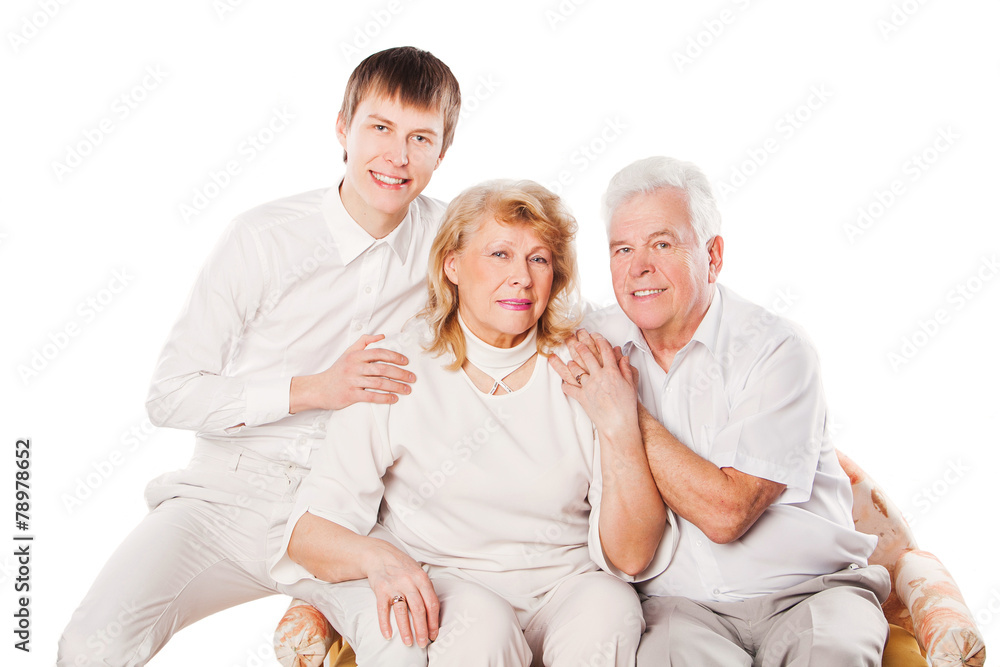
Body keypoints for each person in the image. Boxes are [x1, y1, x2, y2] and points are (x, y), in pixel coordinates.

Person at [57, 46, 461, 666]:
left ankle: (323, 612)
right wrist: (315, 389)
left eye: (421, 138)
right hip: (222, 498)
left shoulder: (449, 243)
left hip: (348, 512)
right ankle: (321, 618)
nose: (397, 156)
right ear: (342, 129)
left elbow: (533, 290)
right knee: (90, 646)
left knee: (409, 648)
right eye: (380, 128)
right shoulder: (263, 237)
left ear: (443, 151)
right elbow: (170, 393)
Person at [269, 180, 671, 665]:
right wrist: (380, 560)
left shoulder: (586, 364)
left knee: (610, 607)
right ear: (452, 265)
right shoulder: (397, 366)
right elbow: (310, 529)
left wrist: (620, 426)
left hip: (566, 587)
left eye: (539, 259)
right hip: (454, 589)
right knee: (481, 626)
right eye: (499, 254)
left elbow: (630, 557)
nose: (521, 277)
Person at [551, 156, 891, 666]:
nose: (639, 267)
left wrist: (624, 411)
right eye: (623, 249)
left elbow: (728, 512)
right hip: (679, 609)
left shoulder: (776, 350)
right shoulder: (594, 344)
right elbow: (500, 323)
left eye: (662, 244)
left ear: (713, 256)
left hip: (813, 593)